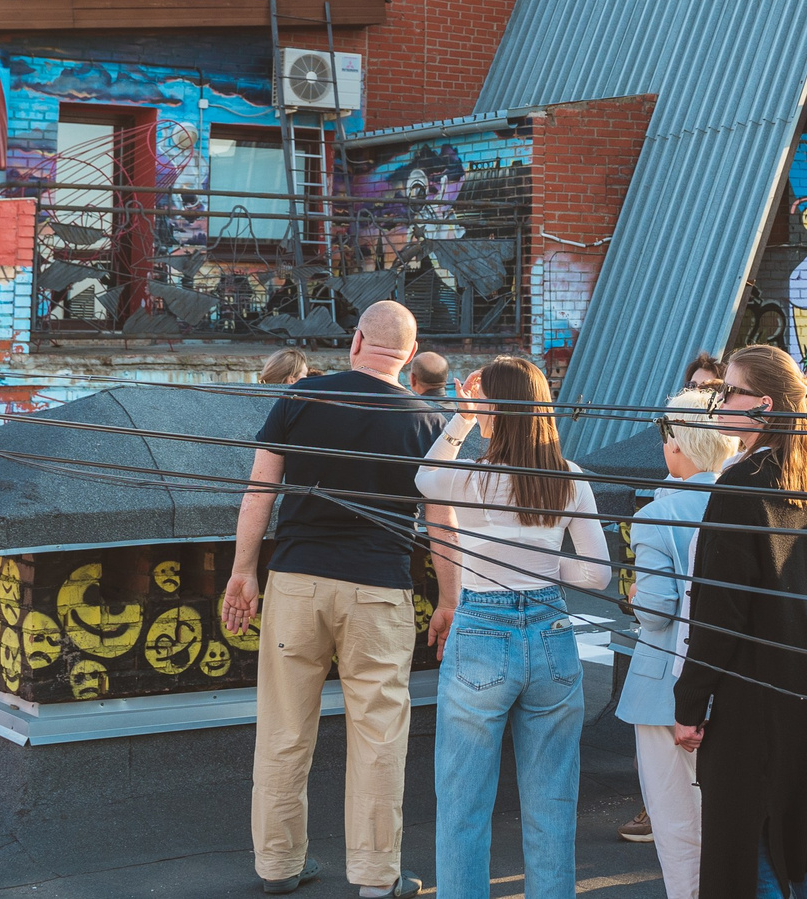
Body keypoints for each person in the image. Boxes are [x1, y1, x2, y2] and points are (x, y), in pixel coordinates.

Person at [225, 300, 440, 898]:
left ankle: (278, 864)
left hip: (296, 580)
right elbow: (443, 522)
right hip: (380, 589)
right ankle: (376, 877)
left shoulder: (301, 398)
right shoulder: (427, 419)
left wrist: (244, 571)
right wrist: (448, 597)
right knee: (379, 736)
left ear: (355, 342)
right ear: (410, 353)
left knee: (284, 729)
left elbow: (257, 494)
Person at [413, 357, 609, 899]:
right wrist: (542, 565)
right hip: (551, 633)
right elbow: (597, 573)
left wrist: (461, 418)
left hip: (482, 630)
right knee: (552, 806)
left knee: (463, 804)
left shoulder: (473, 477)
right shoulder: (568, 477)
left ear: (494, 408)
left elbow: (425, 479)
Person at [675, 344, 807, 899]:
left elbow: (718, 611)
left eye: (728, 391)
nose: (718, 400)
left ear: (763, 405)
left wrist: (690, 702)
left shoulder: (739, 486)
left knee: (746, 844)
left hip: (753, 690)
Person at [618, 387, 741, 898]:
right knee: (730, 818)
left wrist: (634, 592)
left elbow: (657, 611)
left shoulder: (656, 515)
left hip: (664, 685)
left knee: (676, 822)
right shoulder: (746, 504)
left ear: (677, 444)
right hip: (735, 680)